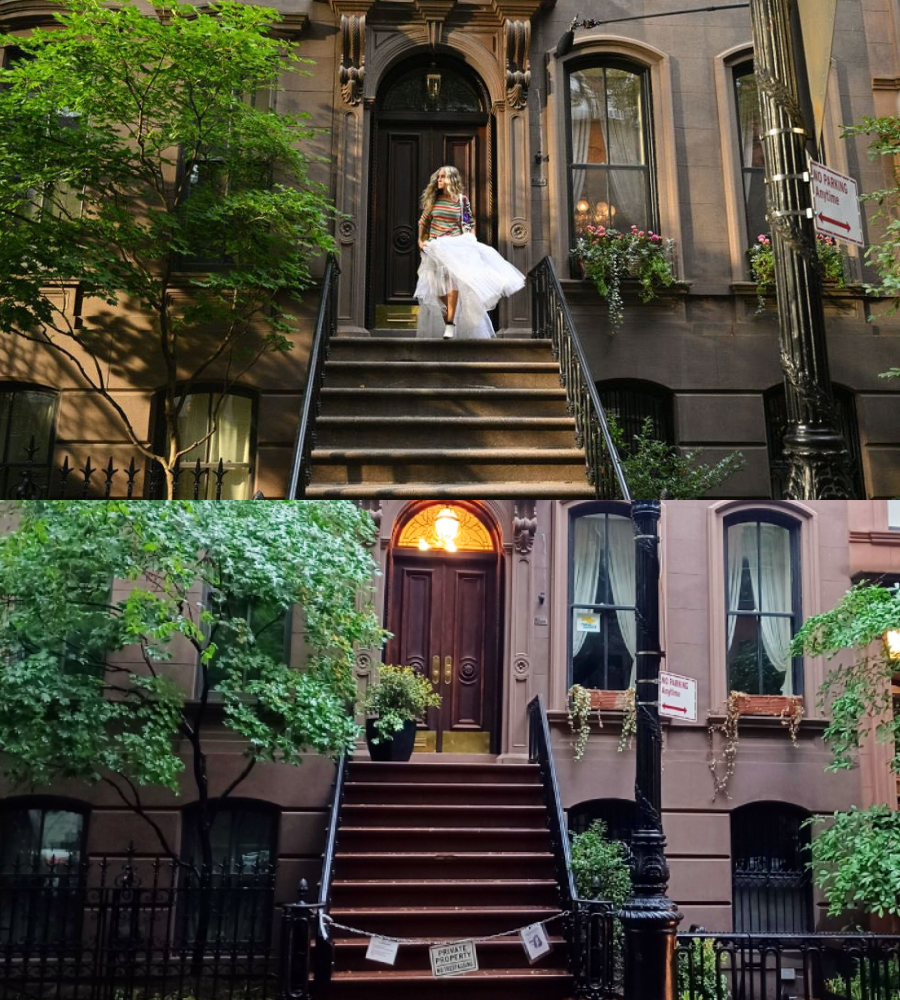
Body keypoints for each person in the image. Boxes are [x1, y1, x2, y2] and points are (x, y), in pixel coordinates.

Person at [415, 165, 525, 339]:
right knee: (438, 289)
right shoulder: (434, 200)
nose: (439, 180)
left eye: (442, 177)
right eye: (438, 177)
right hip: (435, 247)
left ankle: (450, 323)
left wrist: (471, 239)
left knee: (452, 284)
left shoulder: (461, 200)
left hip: (455, 245)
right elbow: (423, 222)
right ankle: (447, 318)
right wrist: (420, 241)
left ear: (451, 179)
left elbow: (469, 222)